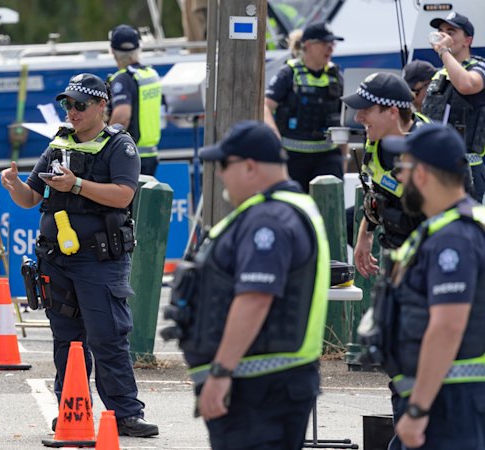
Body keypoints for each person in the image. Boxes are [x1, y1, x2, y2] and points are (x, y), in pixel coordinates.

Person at [0, 73, 158, 438]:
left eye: (80, 105)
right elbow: (30, 198)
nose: (72, 112)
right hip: (57, 259)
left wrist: (77, 185)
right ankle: (73, 410)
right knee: (67, 340)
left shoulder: (119, 145)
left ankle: (125, 414)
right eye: (68, 104)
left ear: (102, 106)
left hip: (99, 259)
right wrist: (15, 186)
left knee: (107, 337)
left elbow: (123, 195)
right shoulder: (59, 144)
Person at [176, 121, 329, 449]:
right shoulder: (283, 209)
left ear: (249, 166)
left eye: (224, 164)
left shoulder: (268, 220)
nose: (219, 174)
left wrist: (221, 373)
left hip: (257, 391)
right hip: (267, 386)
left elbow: (255, 298)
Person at [374, 124, 485, 449]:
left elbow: (447, 326)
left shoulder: (454, 238)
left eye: (403, 167)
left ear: (422, 173)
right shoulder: (450, 228)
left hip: (449, 403)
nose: (398, 176)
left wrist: (419, 408)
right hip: (447, 397)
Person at [341, 72, 429, 277]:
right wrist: (365, 234)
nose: (358, 118)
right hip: (398, 253)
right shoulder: (375, 139)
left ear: (392, 112)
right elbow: (377, 190)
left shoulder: (428, 147)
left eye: (366, 110)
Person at [264, 22, 345, 193]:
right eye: (324, 43)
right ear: (308, 45)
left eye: (332, 44)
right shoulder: (289, 73)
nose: (330, 48)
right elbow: (266, 107)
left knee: (330, 204)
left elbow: (344, 118)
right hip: (293, 158)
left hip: (327, 158)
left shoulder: (336, 75)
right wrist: (275, 142)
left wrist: (344, 157)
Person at [423, 12, 485, 202]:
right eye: (440, 31)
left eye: (450, 32)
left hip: (467, 169)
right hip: (434, 165)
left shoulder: (479, 67)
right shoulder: (439, 74)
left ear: (468, 40)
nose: (443, 36)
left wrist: (444, 51)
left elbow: (467, 85)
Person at [107, 25, 163, 176]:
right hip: (150, 154)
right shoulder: (151, 74)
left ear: (112, 52)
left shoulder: (123, 79)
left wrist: (104, 145)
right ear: (138, 49)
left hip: (129, 155)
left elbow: (122, 117)